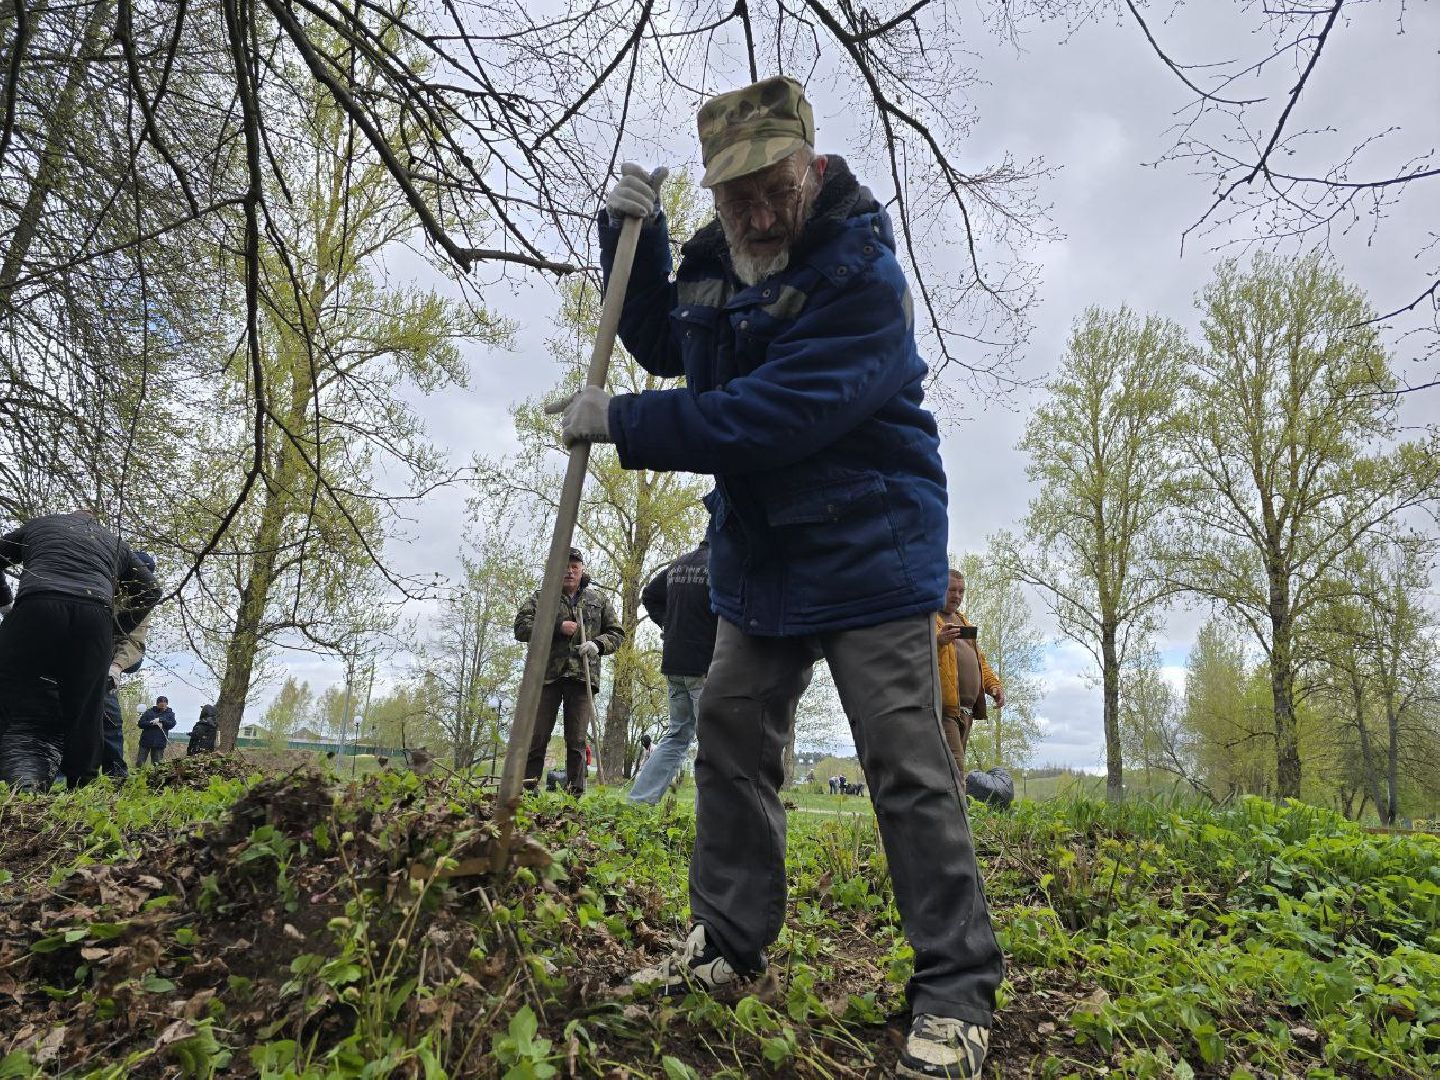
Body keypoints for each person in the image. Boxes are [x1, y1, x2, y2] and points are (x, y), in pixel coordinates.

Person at [551, 76, 1003, 1078]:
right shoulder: (723, 254)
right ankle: (726, 939)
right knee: (729, 732)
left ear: (812, 164)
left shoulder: (861, 273)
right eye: (735, 198)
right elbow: (671, 340)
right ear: (715, 197)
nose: (759, 214)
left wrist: (620, 421)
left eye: (774, 190)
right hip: (760, 554)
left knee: (904, 758)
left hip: (869, 545)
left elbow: (767, 414)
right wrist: (631, 239)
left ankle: (958, 991)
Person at [0, 510, 159, 790]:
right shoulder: (115, 542)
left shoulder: (40, 525)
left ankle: (15, 778)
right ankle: (81, 785)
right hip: (94, 615)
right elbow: (150, 590)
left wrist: (3, 601)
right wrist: (114, 627)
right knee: (86, 708)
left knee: (9, 691)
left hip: (37, 604)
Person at [514, 547, 624, 795]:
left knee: (576, 740)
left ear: (582, 569)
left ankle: (574, 796)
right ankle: (528, 791)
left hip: (582, 677)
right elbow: (521, 628)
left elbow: (617, 634)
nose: (569, 571)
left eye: (574, 566)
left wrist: (598, 644)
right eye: (565, 566)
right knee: (538, 736)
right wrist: (556, 626)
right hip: (547, 677)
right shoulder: (543, 597)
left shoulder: (598, 600)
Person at [627, 541, 717, 805]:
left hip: (675, 662)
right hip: (705, 665)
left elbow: (650, 595)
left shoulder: (679, 564)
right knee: (712, 742)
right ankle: (709, 818)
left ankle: (639, 801)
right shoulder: (720, 563)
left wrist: (668, 622)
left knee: (676, 736)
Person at [99, 549, 158, 780]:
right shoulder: (101, 585)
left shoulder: (144, 600)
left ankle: (116, 775)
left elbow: (135, 641)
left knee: (110, 716)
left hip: (109, 660)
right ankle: (61, 777)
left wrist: (117, 666)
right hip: (80, 650)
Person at [135, 695, 176, 766]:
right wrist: (151, 723)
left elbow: (172, 724)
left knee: (157, 764)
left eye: (165, 703)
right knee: (140, 762)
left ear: (167, 704)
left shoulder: (170, 714)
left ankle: (154, 776)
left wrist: (162, 720)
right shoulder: (149, 712)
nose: (163, 704)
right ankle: (137, 775)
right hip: (145, 741)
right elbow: (140, 724)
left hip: (159, 742)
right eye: (161, 702)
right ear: (157, 704)